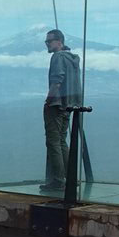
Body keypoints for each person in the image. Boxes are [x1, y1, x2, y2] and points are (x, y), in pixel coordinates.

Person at [41, 29, 82, 193]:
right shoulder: (72, 59)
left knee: (53, 141)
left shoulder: (58, 57)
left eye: (49, 41)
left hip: (56, 104)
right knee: (62, 141)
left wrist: (48, 100)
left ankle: (58, 180)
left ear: (59, 41)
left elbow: (57, 81)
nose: (47, 44)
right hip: (69, 105)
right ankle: (70, 177)